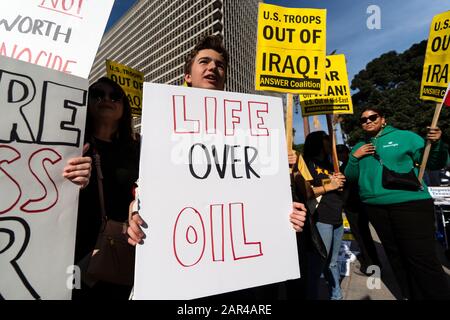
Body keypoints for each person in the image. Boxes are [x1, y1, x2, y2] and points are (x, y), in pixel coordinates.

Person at [127, 35, 307, 299]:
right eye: (204, 62)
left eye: (219, 65)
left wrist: (286, 212)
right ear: (188, 75)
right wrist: (134, 213)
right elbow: (145, 188)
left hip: (243, 276)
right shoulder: (162, 126)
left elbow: (261, 192)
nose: (212, 68)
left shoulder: (251, 130)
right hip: (186, 271)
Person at [344, 107, 450, 300]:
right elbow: (351, 177)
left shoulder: (405, 137)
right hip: (375, 208)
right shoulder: (359, 146)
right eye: (363, 120)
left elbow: (435, 162)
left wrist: (437, 144)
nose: (367, 121)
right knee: (396, 256)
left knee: (421, 257)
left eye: (372, 117)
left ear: (383, 119)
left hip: (411, 205)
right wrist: (354, 157)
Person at [71, 77, 140, 300]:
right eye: (98, 94)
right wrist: (69, 182)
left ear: (124, 106)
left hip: (124, 248)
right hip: (80, 253)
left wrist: (136, 206)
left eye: (115, 96)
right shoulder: (70, 145)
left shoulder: (138, 148)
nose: (107, 99)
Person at [303, 131, 346, 300]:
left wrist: (339, 182)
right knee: (318, 265)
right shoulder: (306, 164)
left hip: (337, 217)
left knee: (333, 262)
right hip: (321, 219)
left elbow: (336, 187)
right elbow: (305, 192)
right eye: (327, 139)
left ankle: (336, 296)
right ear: (319, 142)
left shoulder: (330, 163)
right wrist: (330, 186)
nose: (331, 143)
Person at [336, 144, 381, 276]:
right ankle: (371, 261)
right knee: (363, 235)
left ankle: (371, 265)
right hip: (359, 204)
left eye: (340, 154)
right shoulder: (351, 165)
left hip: (355, 205)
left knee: (362, 236)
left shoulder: (348, 167)